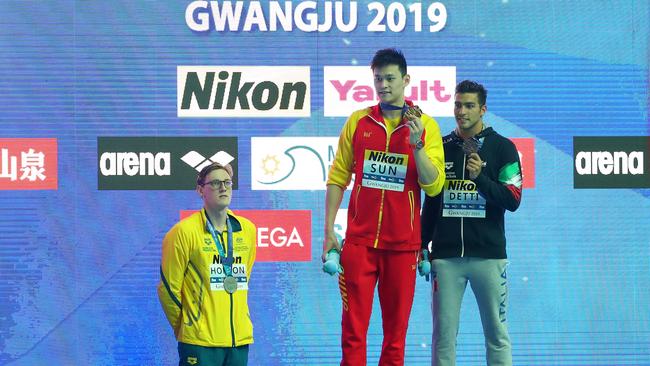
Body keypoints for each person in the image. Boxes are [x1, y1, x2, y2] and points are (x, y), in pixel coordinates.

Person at [323, 48, 446, 366]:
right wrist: (327, 232)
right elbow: (338, 177)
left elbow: (433, 185)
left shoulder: (427, 127)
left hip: (403, 248)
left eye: (390, 78)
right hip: (359, 246)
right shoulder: (358, 121)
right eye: (378, 79)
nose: (383, 85)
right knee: (352, 333)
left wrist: (417, 144)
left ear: (406, 80)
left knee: (395, 339)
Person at [421, 80, 522, 366]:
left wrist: (481, 180)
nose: (461, 111)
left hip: (489, 258)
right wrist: (421, 244)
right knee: (443, 336)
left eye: (469, 106)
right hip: (446, 259)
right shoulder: (439, 147)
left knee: (496, 334)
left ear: (483, 109)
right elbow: (432, 201)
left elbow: (513, 199)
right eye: (457, 104)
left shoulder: (504, 148)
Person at [157, 162, 257, 366]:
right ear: (200, 190)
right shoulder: (183, 232)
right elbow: (168, 289)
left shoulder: (247, 230)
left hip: (238, 341)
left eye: (227, 182)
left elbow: (243, 278)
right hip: (199, 343)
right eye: (216, 183)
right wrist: (188, 327)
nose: (223, 187)